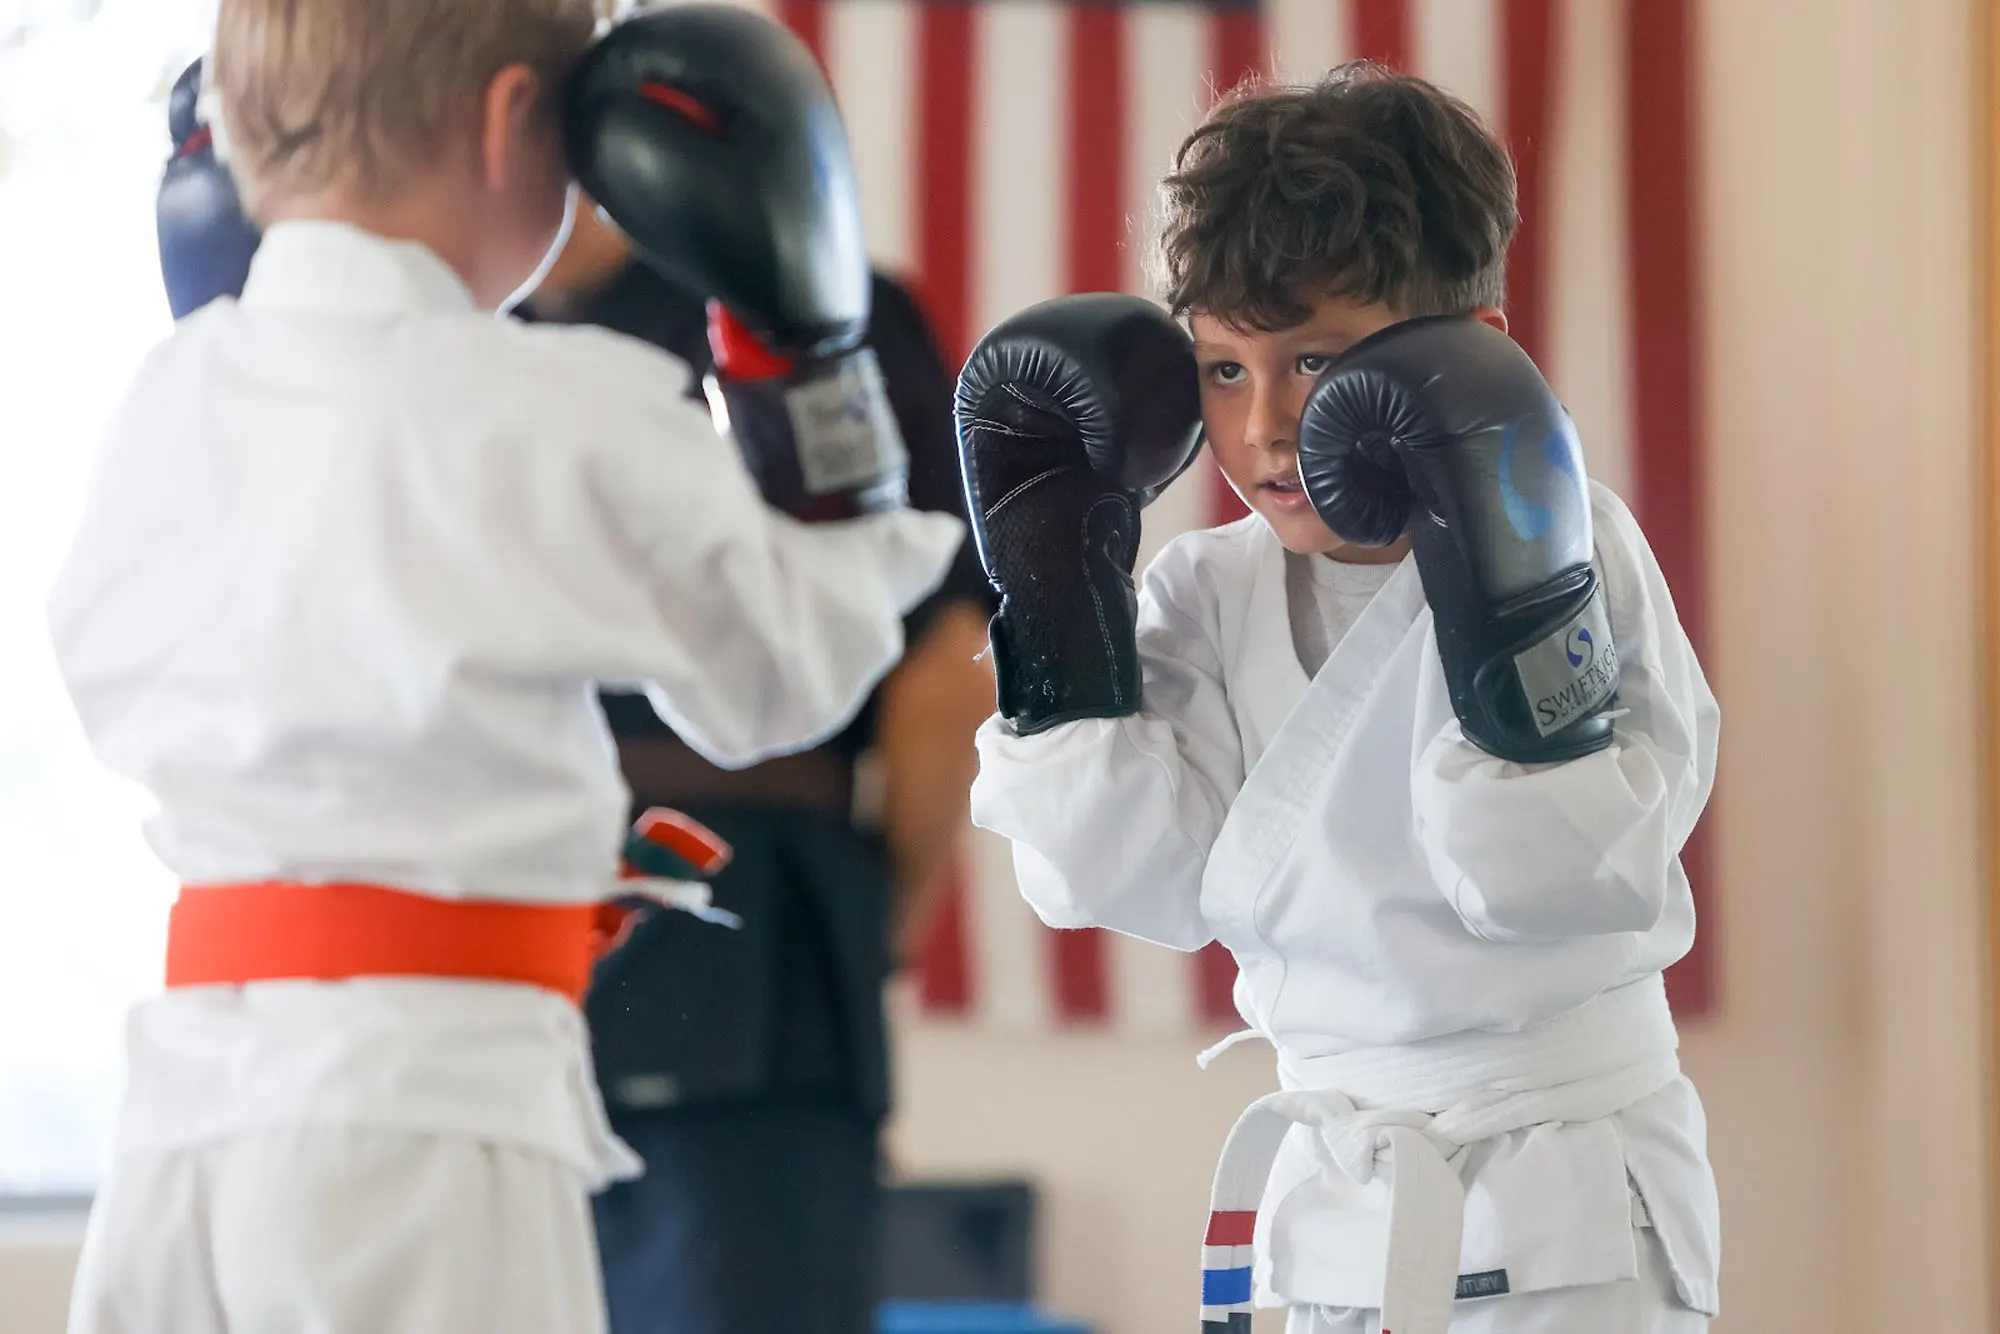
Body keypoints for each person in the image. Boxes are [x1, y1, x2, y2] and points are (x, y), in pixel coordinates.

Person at [51, 4, 961, 1331]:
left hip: (187, 1113)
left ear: (231, 127)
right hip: (428, 1115)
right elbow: (788, 676)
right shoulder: (556, 405)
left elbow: (103, 670)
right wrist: (801, 370)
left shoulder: (162, 400)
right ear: (511, 123)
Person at [957, 64, 1719, 1334]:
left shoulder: (1571, 543)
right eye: (1218, 369)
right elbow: (1117, 873)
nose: (1261, 427)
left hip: (1560, 1188)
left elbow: (1557, 873)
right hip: (1328, 1191)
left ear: (1461, 353)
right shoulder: (1210, 585)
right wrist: (1048, 580)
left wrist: (1505, 586)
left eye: (1313, 360)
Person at [526, 205, 994, 1334]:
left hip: (479, 947)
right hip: (753, 945)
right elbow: (943, 678)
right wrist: (866, 927)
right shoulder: (810, 317)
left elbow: (943, 673)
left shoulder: (433, 348)